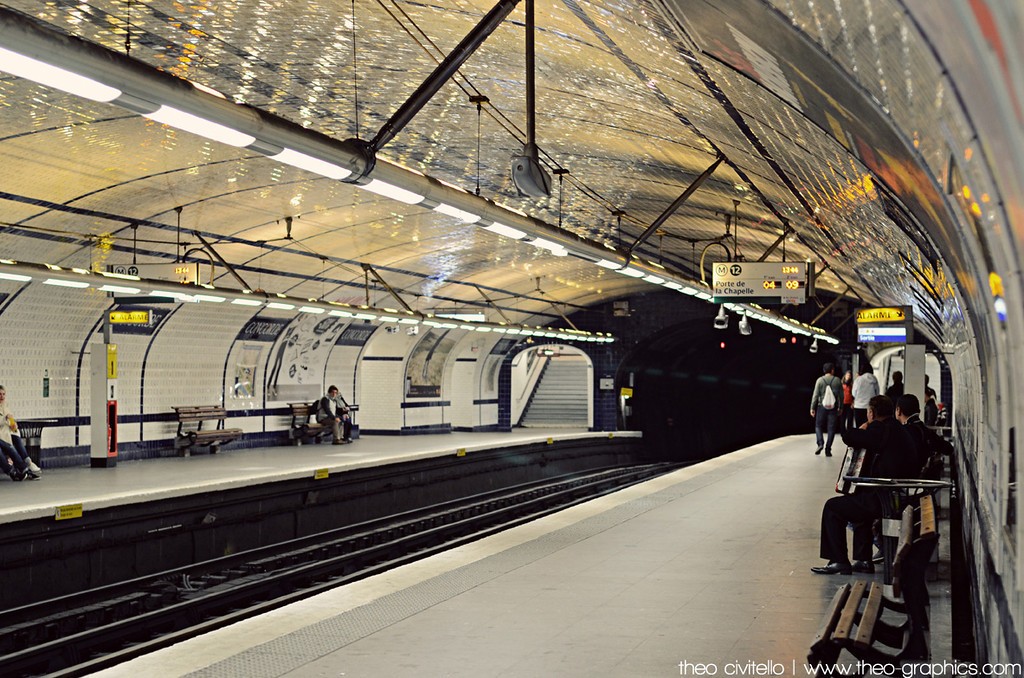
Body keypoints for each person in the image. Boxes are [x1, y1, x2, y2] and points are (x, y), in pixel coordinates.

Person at [811, 395, 918, 574]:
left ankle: (838, 561)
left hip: (885, 497)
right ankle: (862, 560)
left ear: (871, 413)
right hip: (896, 493)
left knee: (832, 507)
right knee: (859, 502)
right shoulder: (897, 428)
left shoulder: (879, 427)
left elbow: (849, 437)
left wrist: (864, 426)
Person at [896, 393, 951, 480]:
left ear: (898, 411)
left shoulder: (900, 433)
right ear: (919, 411)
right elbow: (948, 449)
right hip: (921, 480)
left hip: (902, 482)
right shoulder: (925, 431)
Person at [0, 385, 41, 481]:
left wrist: (13, 425)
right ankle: (22, 468)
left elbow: (11, 424)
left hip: (6, 435)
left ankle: (26, 465)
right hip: (2, 437)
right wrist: (4, 419)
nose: (1, 396)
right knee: (9, 446)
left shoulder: (6, 407)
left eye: (3, 394)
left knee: (15, 438)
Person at [809, 362, 843, 457]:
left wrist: (812, 407)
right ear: (832, 370)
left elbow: (815, 395)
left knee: (818, 426)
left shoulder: (820, 380)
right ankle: (828, 449)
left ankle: (820, 443)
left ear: (824, 370)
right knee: (831, 429)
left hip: (821, 407)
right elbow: (841, 396)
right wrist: (840, 407)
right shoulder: (837, 380)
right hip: (833, 407)